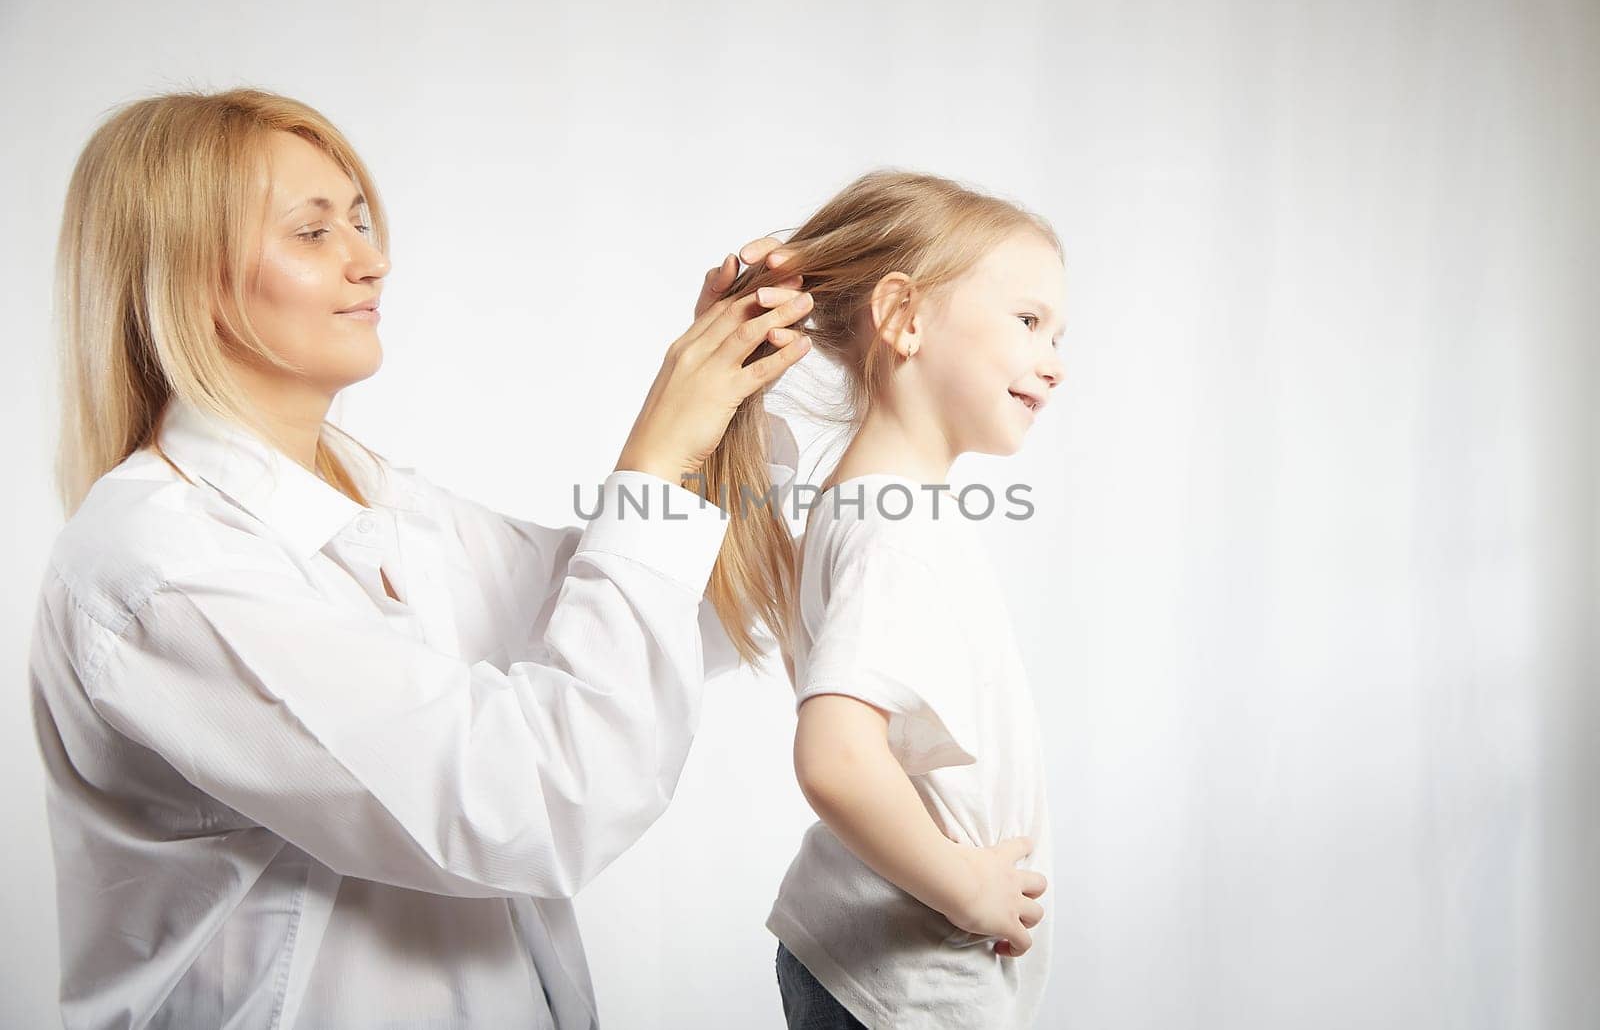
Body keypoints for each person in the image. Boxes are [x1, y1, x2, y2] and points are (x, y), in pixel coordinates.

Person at [27, 86, 814, 1029]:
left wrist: (726, 418)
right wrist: (651, 463)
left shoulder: (374, 496)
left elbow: (677, 616)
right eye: (313, 233)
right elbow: (527, 801)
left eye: (360, 220)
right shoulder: (161, 564)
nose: (372, 260)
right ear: (184, 272)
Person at [697, 171, 1065, 1028]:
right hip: (902, 979)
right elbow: (835, 758)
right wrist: (965, 889)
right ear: (903, 317)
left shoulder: (876, 505)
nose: (1055, 359)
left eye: (1057, 332)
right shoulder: (895, 530)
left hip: (881, 972)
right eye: (1028, 321)